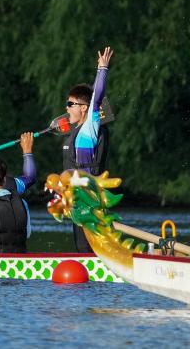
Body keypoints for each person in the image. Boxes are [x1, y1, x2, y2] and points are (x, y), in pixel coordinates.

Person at [63, 45, 114, 252]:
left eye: (70, 104)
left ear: (84, 108)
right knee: (81, 247)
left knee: (87, 249)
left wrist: (102, 69)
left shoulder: (90, 127)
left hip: (89, 198)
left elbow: (97, 97)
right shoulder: (77, 130)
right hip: (79, 198)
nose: (66, 108)